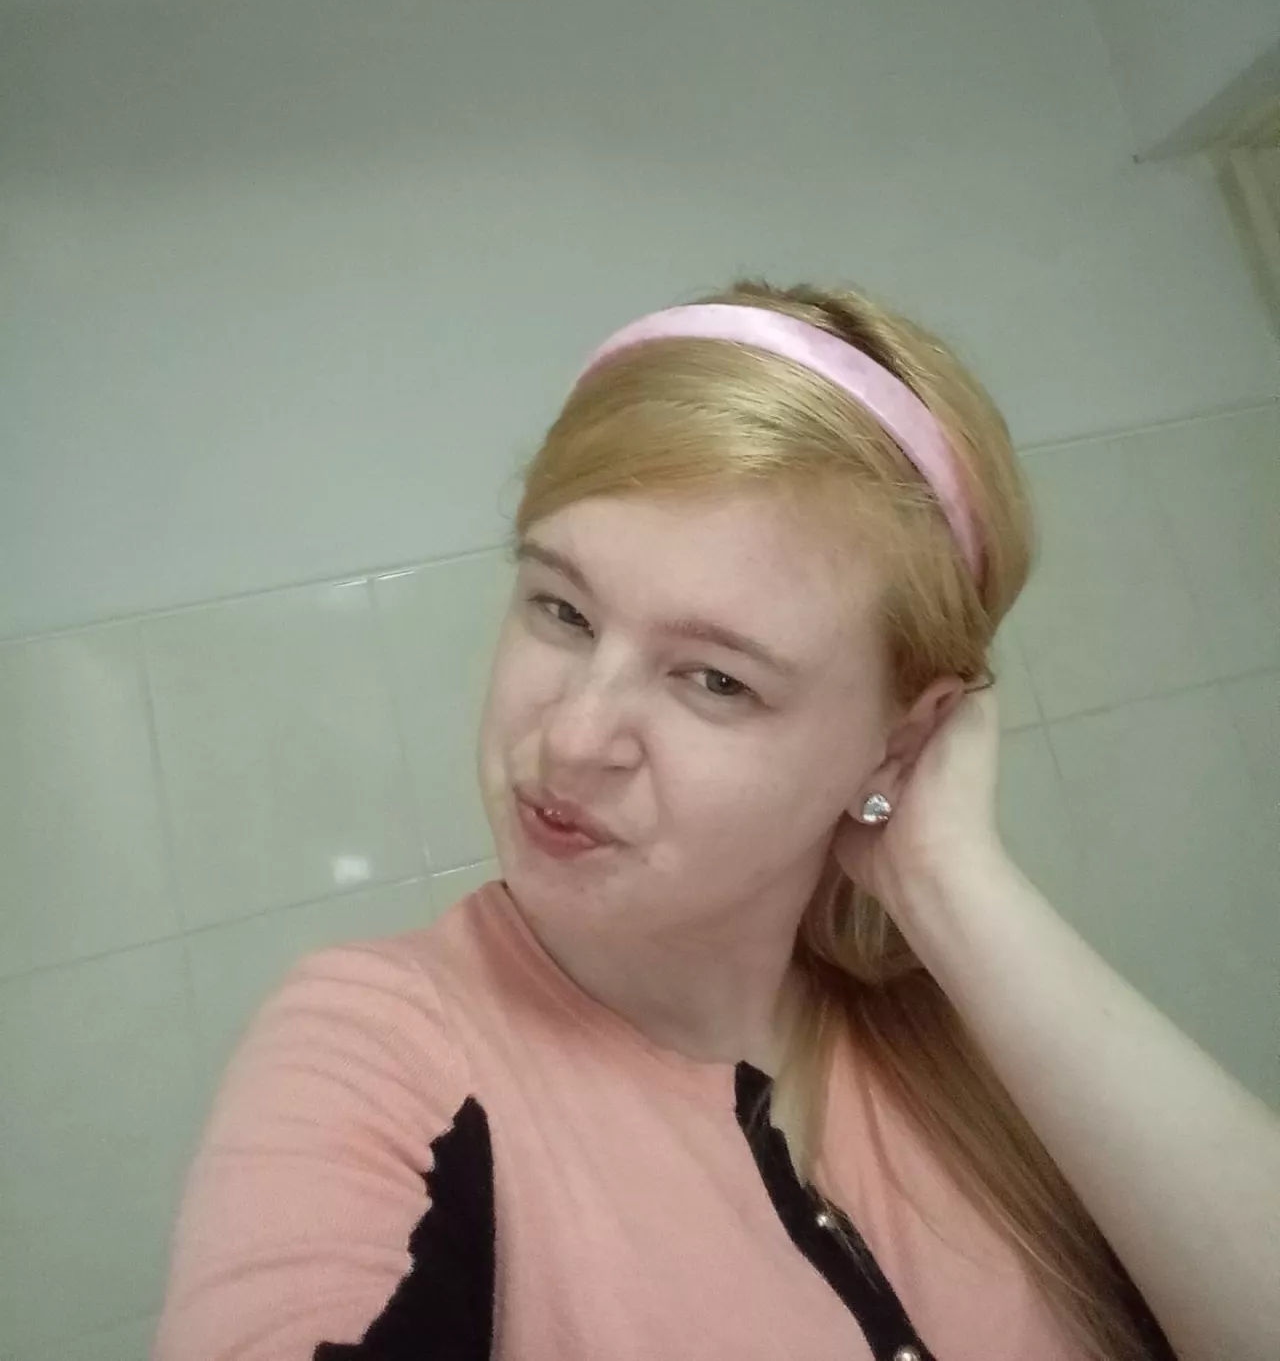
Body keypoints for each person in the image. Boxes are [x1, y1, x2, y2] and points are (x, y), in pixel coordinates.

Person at [155, 279, 1279, 1361]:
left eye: (716, 679)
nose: (572, 739)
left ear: (900, 737)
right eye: (561, 609)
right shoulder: (379, 1051)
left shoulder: (981, 1045)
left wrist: (950, 881)